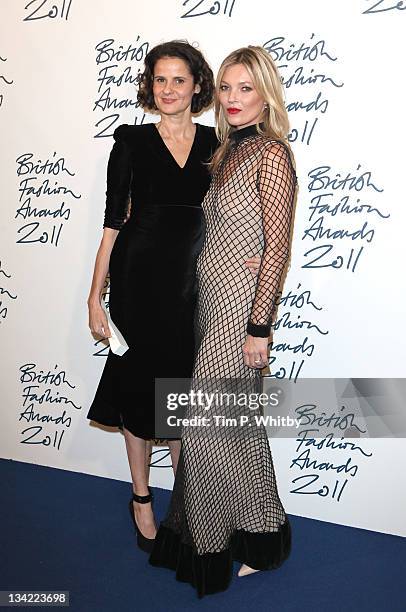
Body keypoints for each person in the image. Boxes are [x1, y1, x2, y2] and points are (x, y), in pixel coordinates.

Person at [86, 41, 260, 554]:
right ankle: (141, 496)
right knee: (140, 390)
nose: (168, 90)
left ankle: (185, 501)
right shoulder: (131, 142)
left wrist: (253, 257)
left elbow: (234, 212)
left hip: (195, 287)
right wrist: (96, 296)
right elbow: (113, 224)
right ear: (150, 84)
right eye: (159, 80)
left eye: (178, 80)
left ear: (197, 86)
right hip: (138, 284)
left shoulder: (217, 144)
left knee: (183, 396)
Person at [149, 46, 298, 597]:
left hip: (240, 316)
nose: (234, 99)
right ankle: (262, 538)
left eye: (246, 89)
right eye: (228, 88)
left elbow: (276, 247)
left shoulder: (272, 155)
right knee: (238, 430)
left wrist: (259, 327)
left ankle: (214, 548)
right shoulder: (229, 152)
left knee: (211, 430)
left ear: (265, 94)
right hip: (208, 307)